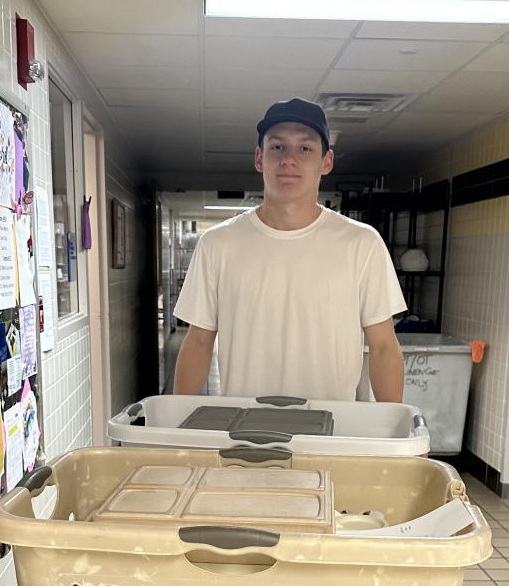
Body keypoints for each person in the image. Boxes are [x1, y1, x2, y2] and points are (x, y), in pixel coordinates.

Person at [173, 98, 405, 403]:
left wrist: (395, 426)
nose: (289, 159)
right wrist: (175, 422)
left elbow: (383, 346)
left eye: (305, 148)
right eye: (277, 146)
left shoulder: (361, 243)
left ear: (326, 162)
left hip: (333, 426)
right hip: (244, 425)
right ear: (259, 158)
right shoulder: (218, 244)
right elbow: (198, 342)